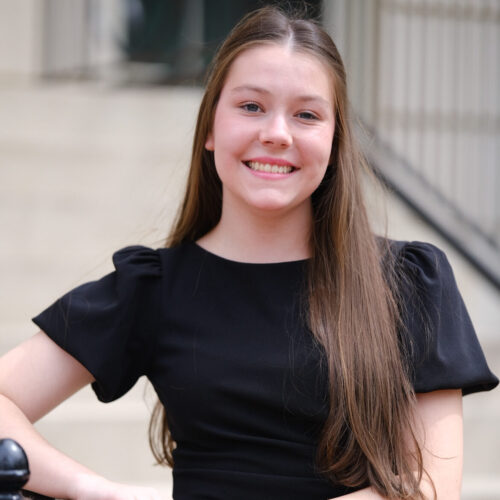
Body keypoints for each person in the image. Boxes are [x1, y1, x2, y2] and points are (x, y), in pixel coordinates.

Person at [0, 6, 497, 500]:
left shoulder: (409, 281)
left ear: (334, 139)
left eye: (306, 114)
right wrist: (94, 489)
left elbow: (429, 489)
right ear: (211, 128)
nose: (276, 133)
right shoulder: (153, 287)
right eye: (251, 106)